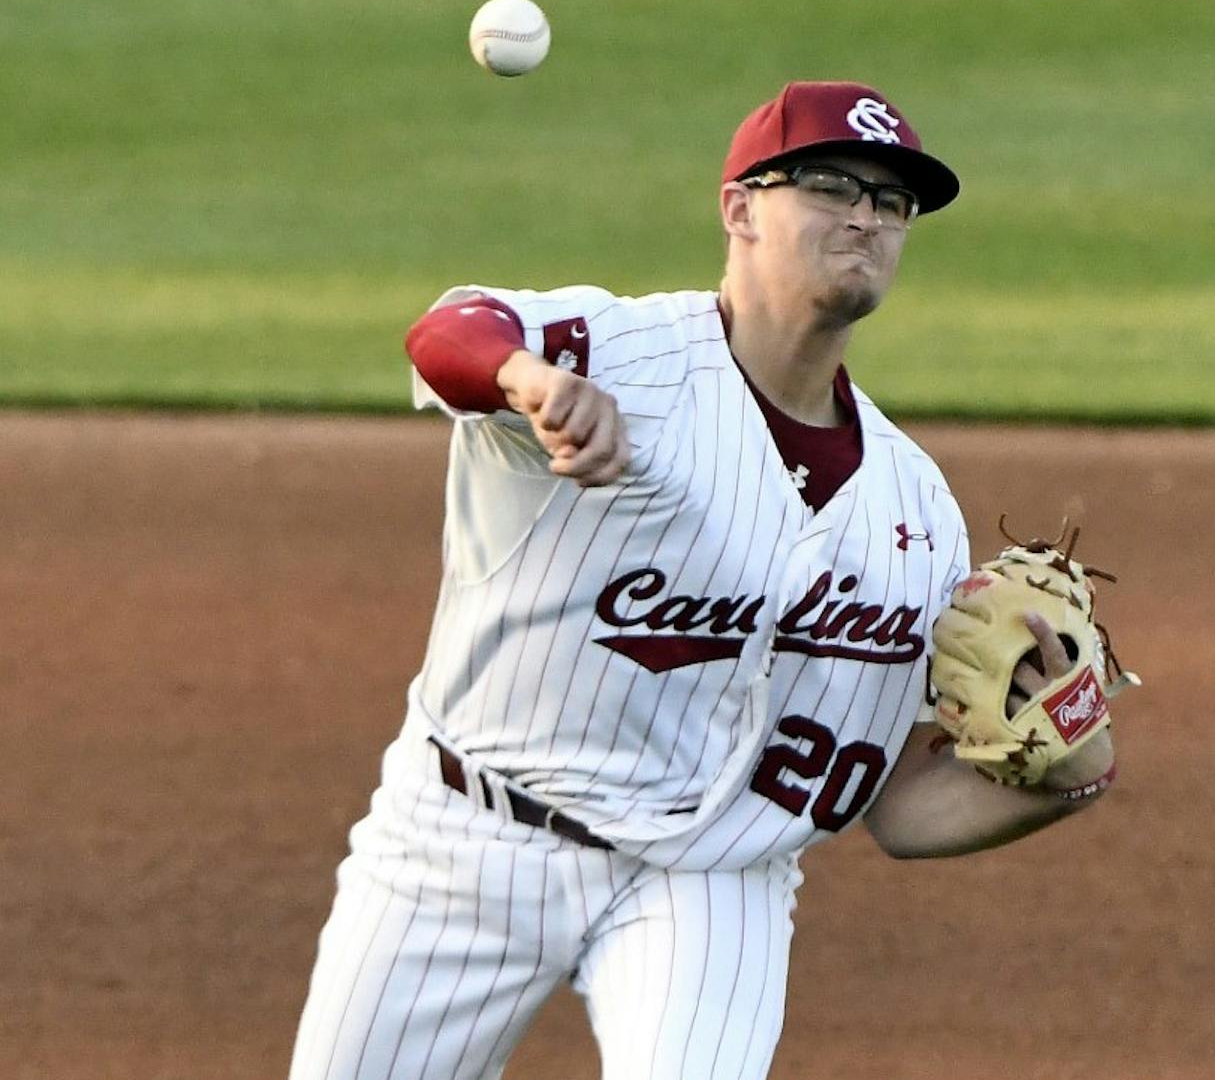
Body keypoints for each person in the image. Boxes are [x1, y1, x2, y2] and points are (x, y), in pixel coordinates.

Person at [289, 80, 1116, 1080]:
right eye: (827, 184)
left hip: (709, 884)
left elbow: (890, 804)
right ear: (739, 208)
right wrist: (531, 382)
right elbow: (449, 329)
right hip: (465, 841)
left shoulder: (915, 510)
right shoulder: (614, 357)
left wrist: (1072, 771)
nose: (865, 216)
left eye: (891, 201)